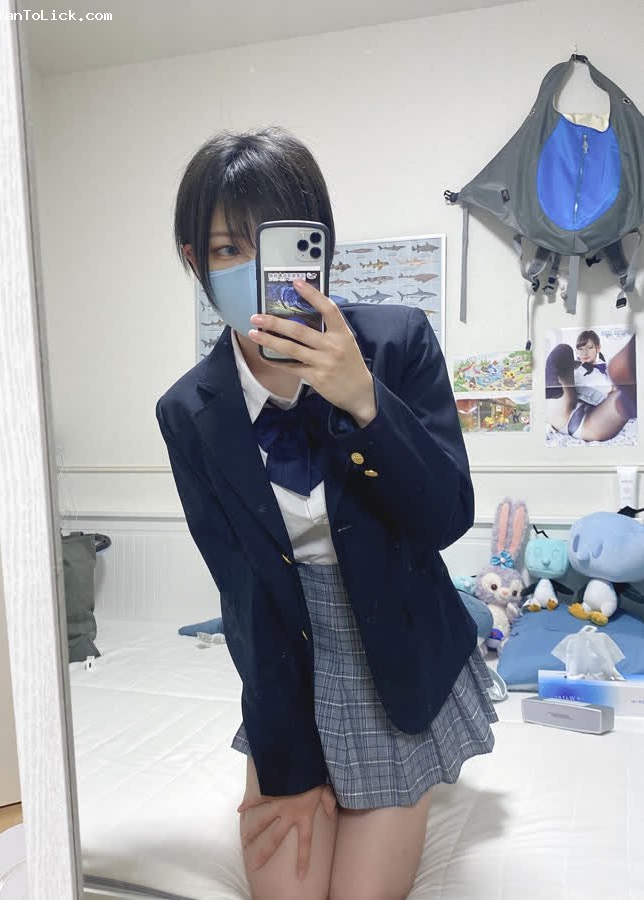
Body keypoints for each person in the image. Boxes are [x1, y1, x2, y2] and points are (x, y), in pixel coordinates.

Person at [156, 126, 497, 900]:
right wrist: (289, 767)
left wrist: (363, 401)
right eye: (225, 249)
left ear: (319, 247)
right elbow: (242, 592)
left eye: (275, 244)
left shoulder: (396, 344)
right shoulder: (188, 412)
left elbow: (445, 518)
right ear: (194, 261)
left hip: (399, 650)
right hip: (286, 657)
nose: (253, 271)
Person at [545, 328, 637, 442]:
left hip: (591, 422)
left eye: (589, 348)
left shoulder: (607, 369)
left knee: (625, 392)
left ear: (598, 348)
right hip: (563, 410)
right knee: (563, 349)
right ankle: (549, 385)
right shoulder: (573, 367)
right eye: (580, 349)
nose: (585, 353)